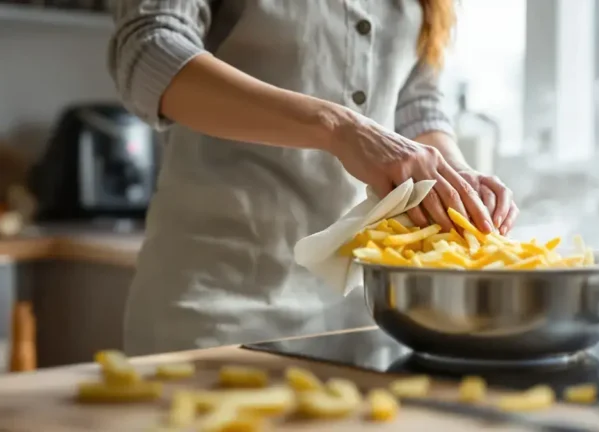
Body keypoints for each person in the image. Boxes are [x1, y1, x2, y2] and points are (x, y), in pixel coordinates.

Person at [108, 0, 519, 356]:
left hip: (362, 311)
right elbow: (150, 52)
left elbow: (415, 98)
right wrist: (338, 127)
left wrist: (453, 173)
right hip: (220, 296)